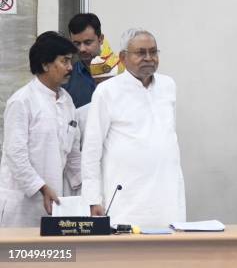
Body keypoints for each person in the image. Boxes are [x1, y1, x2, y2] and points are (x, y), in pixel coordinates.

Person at [81, 28, 185, 226]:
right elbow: (91, 150)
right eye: (141, 53)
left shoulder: (168, 85)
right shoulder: (107, 91)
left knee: (170, 253)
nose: (149, 58)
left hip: (167, 195)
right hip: (126, 199)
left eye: (153, 52)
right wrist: (92, 198)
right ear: (123, 57)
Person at [0, 32, 81, 227]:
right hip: (22, 204)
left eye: (70, 61)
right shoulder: (22, 101)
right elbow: (15, 154)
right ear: (45, 64)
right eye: (64, 61)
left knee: (54, 256)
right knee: (20, 256)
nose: (70, 67)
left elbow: (73, 156)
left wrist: (89, 192)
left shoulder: (67, 101)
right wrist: (42, 188)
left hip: (56, 202)